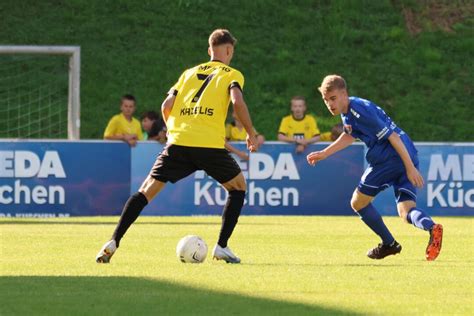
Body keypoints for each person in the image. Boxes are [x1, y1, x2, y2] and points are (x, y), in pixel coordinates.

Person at [96, 29, 258, 264]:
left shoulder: (189, 73)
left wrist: (174, 130)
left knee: (146, 190)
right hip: (208, 144)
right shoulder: (232, 74)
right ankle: (221, 246)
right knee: (238, 188)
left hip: (179, 142)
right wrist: (251, 133)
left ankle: (113, 241)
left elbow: (166, 104)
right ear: (229, 50)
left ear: (209, 50)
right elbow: (237, 101)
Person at [307, 74, 443, 261]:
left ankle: (389, 244)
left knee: (358, 202)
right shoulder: (349, 109)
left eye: (333, 98)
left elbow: (392, 137)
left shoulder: (359, 111)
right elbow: (349, 135)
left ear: (344, 93)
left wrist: (409, 168)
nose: (329, 104)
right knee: (406, 211)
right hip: (406, 151)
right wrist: (325, 153)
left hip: (390, 158)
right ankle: (431, 227)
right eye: (325, 100)